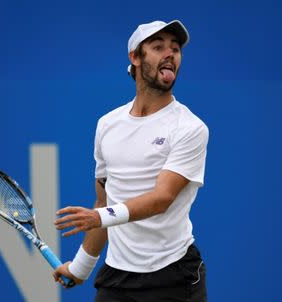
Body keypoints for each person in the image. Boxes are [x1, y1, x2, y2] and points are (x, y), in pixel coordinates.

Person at [53, 19, 209, 302]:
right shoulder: (107, 125)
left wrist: (98, 217)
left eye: (175, 49)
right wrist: (80, 267)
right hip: (117, 277)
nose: (170, 54)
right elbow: (103, 202)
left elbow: (162, 199)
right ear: (135, 57)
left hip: (172, 275)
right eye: (158, 47)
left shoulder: (190, 128)